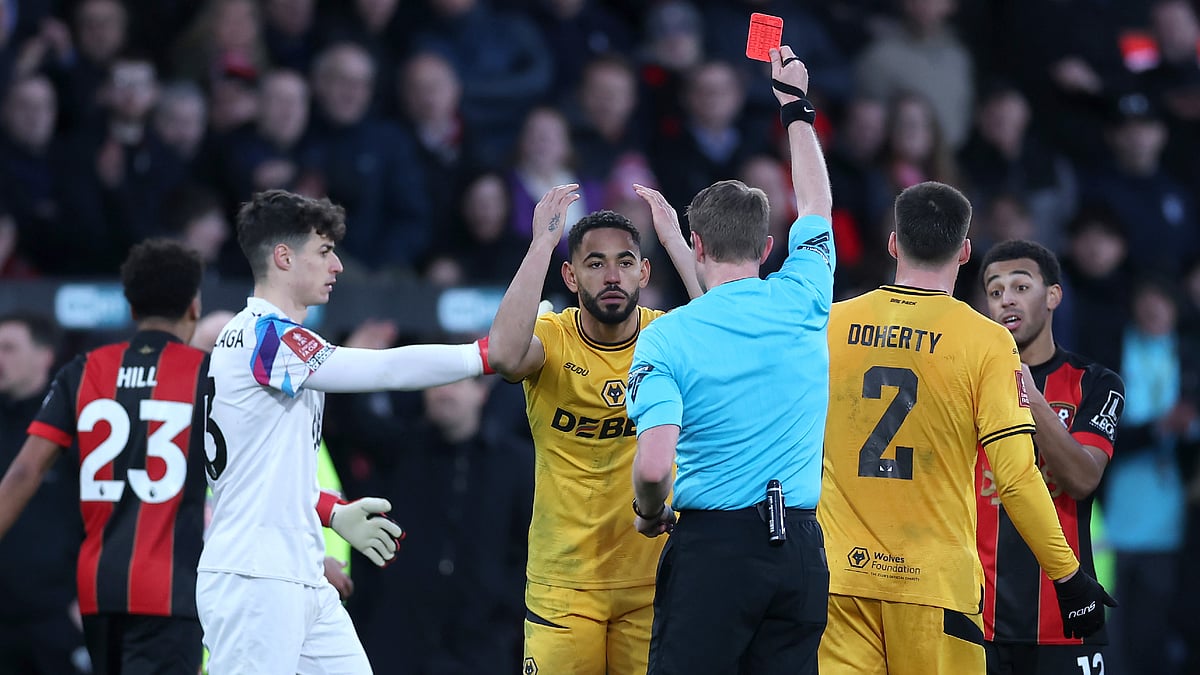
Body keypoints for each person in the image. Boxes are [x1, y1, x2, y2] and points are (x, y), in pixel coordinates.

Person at [0, 240, 397, 675]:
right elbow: (243, 476)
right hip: (172, 589)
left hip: (98, 590)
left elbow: (23, 472)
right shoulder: (204, 376)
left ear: (130, 307)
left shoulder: (84, 371)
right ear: (194, 306)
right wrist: (318, 542)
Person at [818, 182, 1116, 674]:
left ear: (893, 243)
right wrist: (1069, 577)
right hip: (935, 588)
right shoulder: (986, 342)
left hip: (840, 581)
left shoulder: (832, 324)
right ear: (965, 251)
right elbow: (1016, 479)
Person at [198, 189, 496, 673]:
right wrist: (480, 356)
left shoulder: (263, 339)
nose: (336, 266)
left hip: (298, 574)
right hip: (253, 578)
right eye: (324, 252)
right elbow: (383, 371)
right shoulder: (266, 337)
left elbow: (257, 469)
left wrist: (331, 512)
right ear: (283, 257)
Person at [626, 47, 833, 674]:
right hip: (799, 549)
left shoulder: (666, 340)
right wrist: (796, 109)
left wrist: (650, 512)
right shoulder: (803, 296)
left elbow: (656, 464)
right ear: (770, 246)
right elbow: (817, 201)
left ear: (696, 242)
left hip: (713, 552)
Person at [485, 180, 699, 671]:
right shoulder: (551, 339)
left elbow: (728, 341)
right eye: (595, 263)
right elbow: (502, 355)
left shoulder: (664, 337)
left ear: (644, 272)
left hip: (651, 581)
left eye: (625, 262)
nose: (611, 276)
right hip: (563, 584)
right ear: (571, 274)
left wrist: (676, 244)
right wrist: (541, 243)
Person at [977, 239, 1125, 674]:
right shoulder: (966, 385)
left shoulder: (1096, 383)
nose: (1007, 299)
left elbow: (1082, 478)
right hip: (978, 625)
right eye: (995, 290)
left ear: (1053, 296)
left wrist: (1032, 401)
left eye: (1021, 287)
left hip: (1065, 623)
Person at [0, 313, 88, 675]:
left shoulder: (77, 422)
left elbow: (106, 512)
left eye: (8, 348)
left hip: (56, 620)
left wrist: (84, 599)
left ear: (45, 355)